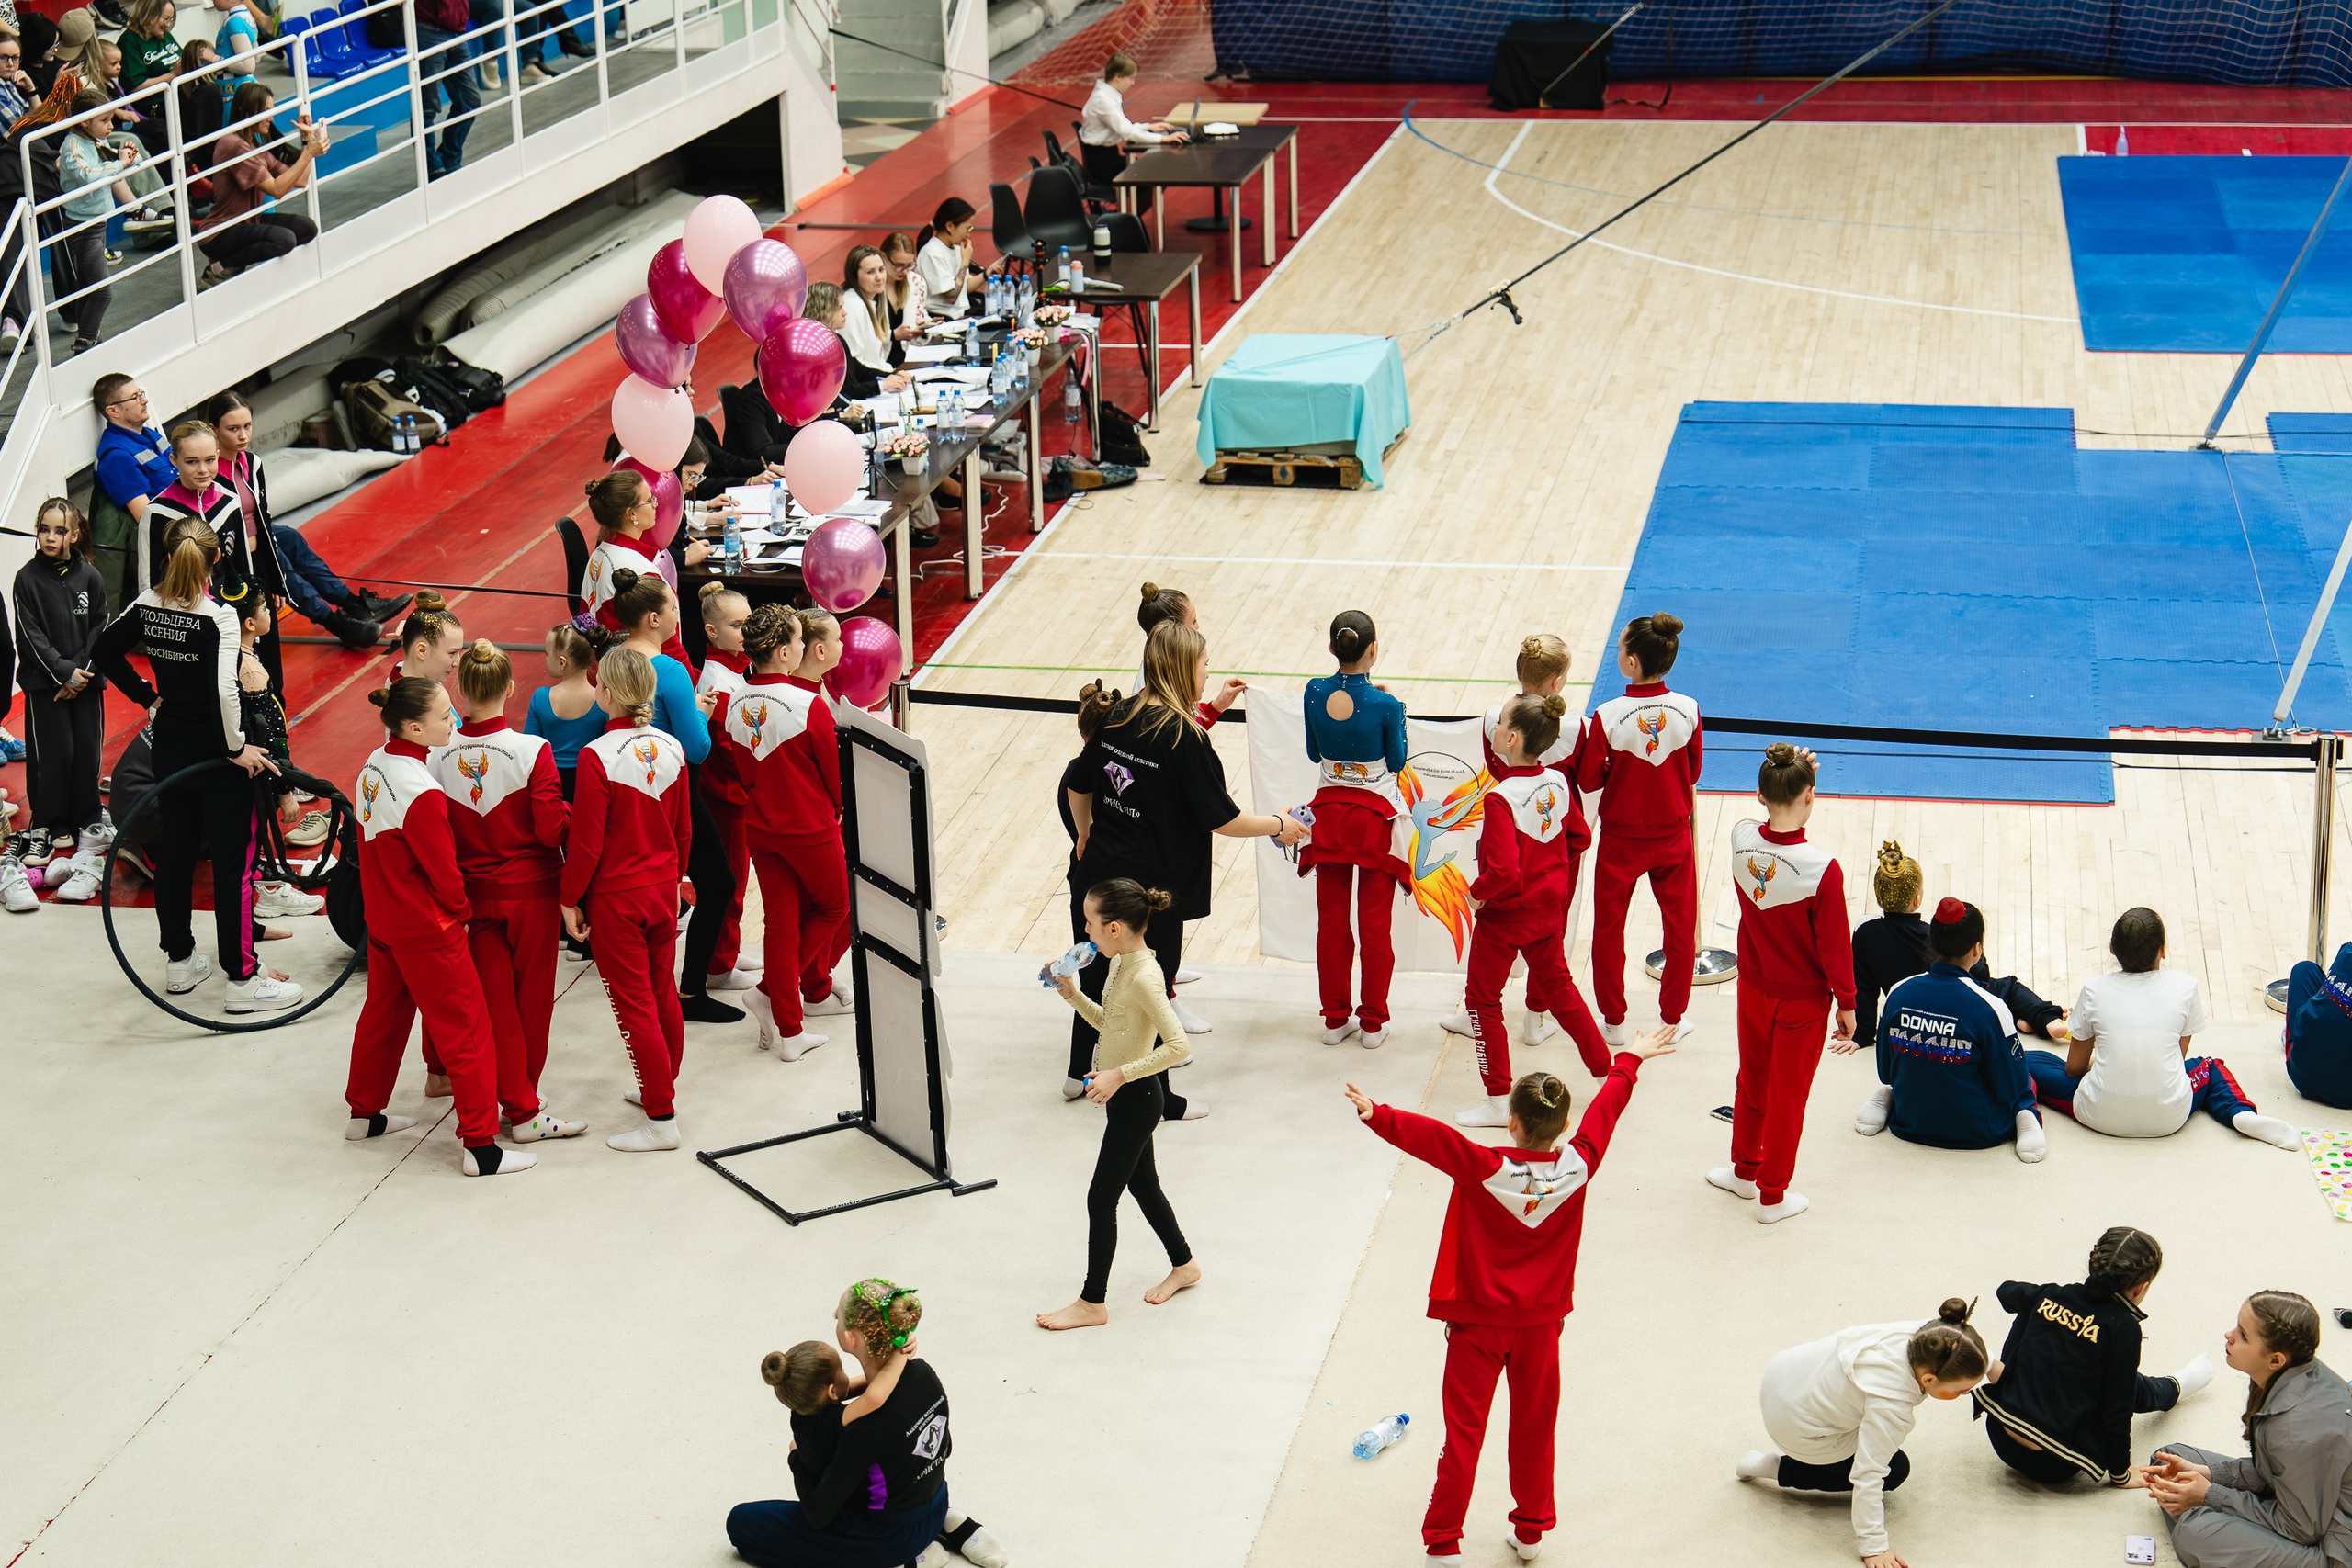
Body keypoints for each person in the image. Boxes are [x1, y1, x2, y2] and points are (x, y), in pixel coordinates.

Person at [1348, 1029, 1675, 1562]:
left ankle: (1444, 1543)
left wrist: (1378, 1114)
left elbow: (1435, 1138)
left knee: (1464, 1437)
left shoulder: (1484, 1167)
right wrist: (1629, 1059)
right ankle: (1529, 1533)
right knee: (1534, 1428)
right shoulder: (1579, 1165)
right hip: (1542, 1329)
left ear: (1512, 1123)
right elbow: (1605, 1114)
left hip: (1478, 1326)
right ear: (1563, 1128)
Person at [1068, 620, 1306, 1115]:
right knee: (1148, 991)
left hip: (1100, 879)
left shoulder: (1119, 714)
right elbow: (1224, 818)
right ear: (1181, 668)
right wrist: (1279, 823)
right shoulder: (1183, 738)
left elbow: (1077, 782)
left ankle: (1077, 1075)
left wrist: (1085, 833)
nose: (1206, 673)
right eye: (1202, 664)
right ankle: (1161, 1103)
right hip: (1152, 891)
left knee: (1095, 976)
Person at [90, 517, 299, 1010]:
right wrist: (235, 750)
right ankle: (244, 981)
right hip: (217, 757)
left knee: (178, 857)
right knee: (234, 867)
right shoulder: (217, 617)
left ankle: (180, 962)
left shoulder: (146, 604)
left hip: (170, 750)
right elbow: (224, 691)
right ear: (214, 562)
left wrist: (149, 697)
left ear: (167, 558)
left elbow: (103, 650)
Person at [344, 676, 531, 1175]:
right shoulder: (422, 789)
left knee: (382, 1016)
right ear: (414, 726)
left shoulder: (372, 765)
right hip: (427, 928)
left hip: (382, 918)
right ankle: (481, 1148)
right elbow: (445, 874)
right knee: (467, 1031)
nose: (455, 720)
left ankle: (364, 1114)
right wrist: (463, 917)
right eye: (446, 715)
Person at [428, 639, 585, 1145]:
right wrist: (572, 818)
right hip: (532, 894)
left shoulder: (437, 756)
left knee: (495, 1008)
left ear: (461, 690)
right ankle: (525, 1107)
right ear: (511, 689)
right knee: (532, 1004)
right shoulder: (531, 751)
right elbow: (548, 829)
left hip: (474, 897)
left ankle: (513, 1100)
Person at [1039, 877, 1200, 1332]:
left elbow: (1178, 1045)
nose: (1085, 933)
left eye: (1090, 924)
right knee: (1144, 1188)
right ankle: (1184, 1265)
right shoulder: (1120, 965)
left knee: (1100, 1198)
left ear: (1114, 929)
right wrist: (1072, 995)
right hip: (1124, 1097)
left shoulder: (1146, 976)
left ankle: (1093, 1302)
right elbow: (1112, 1025)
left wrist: (1117, 1074)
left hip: (1137, 1100)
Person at [1707, 742, 1855, 1224]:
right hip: (1802, 1001)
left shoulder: (1740, 840)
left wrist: (1787, 776)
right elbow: (1835, 950)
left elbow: (1754, 819)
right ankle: (1773, 1195)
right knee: (1788, 1096)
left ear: (1760, 794)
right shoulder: (1822, 871)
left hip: (1752, 987)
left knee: (1752, 1080)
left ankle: (1744, 1171)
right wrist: (1848, 1005)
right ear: (1811, 796)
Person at [1739, 1300, 1996, 1568]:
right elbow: (1867, 1474)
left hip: (1785, 1373)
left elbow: (1969, 1349)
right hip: (1795, 1428)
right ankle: (1777, 1468)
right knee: (1895, 1468)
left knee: (1872, 1431)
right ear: (1929, 1380)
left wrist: (1996, 1371)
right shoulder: (1891, 1401)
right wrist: (1874, 1546)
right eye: (1960, 1390)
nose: (1965, 1394)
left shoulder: (1927, 1336)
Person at [1457, 692, 1612, 1129]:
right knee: (1561, 991)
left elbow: (1503, 869)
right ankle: (1607, 1073)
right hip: (1548, 912)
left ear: (1509, 738)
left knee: (1482, 1001)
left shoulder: (1501, 799)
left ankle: (1495, 1100)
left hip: (1504, 919)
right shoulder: (1560, 783)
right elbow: (1579, 838)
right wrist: (1549, 875)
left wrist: (1477, 891)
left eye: (1501, 720)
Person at [560, 645, 693, 1153]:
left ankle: (661, 1120)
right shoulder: (673, 747)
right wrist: (678, 880)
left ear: (607, 693)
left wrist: (570, 897)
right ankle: (661, 1090)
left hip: (617, 898)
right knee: (662, 994)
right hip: (663, 892)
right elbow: (682, 831)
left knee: (634, 1005)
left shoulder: (597, 756)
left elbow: (588, 842)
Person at [2027, 907, 2302, 1150]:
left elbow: (2073, 1069)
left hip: (2099, 1115)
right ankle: (2241, 1115)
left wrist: (2098, 1063)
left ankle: (2025, 1115)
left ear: (2112, 948)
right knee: (2210, 1067)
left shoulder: (2093, 990)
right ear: (2164, 949)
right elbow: (2176, 1062)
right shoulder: (2185, 986)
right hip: (2170, 1117)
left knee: (2028, 1059)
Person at [726, 1280, 956, 1567]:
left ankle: (907, 1561)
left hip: (894, 1539)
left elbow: (819, 1513)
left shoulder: (859, 1431)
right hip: (938, 1502)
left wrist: (796, 1459)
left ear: (850, 1339)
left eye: (838, 1317)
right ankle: (951, 1524)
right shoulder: (923, 1373)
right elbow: (944, 1448)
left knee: (742, 1523)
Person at [1974, 1226, 2214, 1485]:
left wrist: (2047, 1307)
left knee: (2035, 1313)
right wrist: (2121, 1473)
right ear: (2141, 1288)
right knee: (2125, 1384)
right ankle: (2174, 1387)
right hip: (2054, 1462)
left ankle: (2022, 1389)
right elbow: (2117, 1409)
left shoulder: (2053, 1293)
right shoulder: (2124, 1328)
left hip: (2000, 1433)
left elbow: (2005, 1292)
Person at [1444, 633, 1592, 1043]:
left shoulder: (1496, 717)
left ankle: (1476, 1005)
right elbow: (1591, 776)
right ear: (1559, 682)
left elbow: (1496, 769)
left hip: (1507, 819)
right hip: (1555, 832)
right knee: (1549, 928)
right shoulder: (1577, 725)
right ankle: (1535, 1017)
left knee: (1495, 917)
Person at [605, 568, 739, 1023]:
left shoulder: (611, 659)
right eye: (672, 608)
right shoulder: (669, 669)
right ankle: (690, 992)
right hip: (672, 788)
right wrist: (701, 713)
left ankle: (648, 993)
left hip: (623, 786)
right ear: (654, 619)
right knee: (718, 884)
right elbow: (697, 747)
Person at [721, 604, 848, 1059]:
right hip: (810, 827)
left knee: (780, 926)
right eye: (796, 640)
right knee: (836, 906)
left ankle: (791, 1035)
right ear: (784, 651)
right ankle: (773, 992)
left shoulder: (734, 698)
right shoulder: (807, 704)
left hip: (761, 827)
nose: (801, 646)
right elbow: (835, 776)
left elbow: (738, 766)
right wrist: (837, 808)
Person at [2145, 1291, 2352, 1568]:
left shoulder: (2295, 1432)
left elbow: (2300, 1529)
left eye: (2243, 1335)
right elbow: (2275, 1471)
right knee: (2167, 1458)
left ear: (2276, 1360)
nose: (2228, 1335)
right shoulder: (2295, 1370)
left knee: (2195, 1532)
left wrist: (2210, 1495)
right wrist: (2210, 1474)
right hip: (2303, 1500)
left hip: (2332, 1544)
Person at [1574, 611, 1702, 1045]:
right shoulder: (1689, 709)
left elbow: (1589, 779)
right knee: (1680, 930)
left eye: (1620, 645)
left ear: (1630, 663)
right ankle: (1672, 1017)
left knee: (1609, 928)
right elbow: (1694, 771)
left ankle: (1613, 1020)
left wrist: (1618, 769)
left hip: (1621, 841)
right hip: (1672, 838)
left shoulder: (1607, 715)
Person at [208, 389, 403, 654]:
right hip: (236, 548)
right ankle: (334, 621)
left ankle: (354, 603)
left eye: (247, 426)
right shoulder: (209, 473)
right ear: (214, 430)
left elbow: (262, 512)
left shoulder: (251, 463)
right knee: (281, 562)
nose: (243, 436)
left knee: (290, 538)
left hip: (258, 532)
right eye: (233, 429)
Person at [1860, 897, 2046, 1161]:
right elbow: (2011, 1086)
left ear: (1932, 942)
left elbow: (1885, 1070)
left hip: (1911, 1123)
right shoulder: (1992, 1007)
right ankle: (2027, 1116)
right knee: (2026, 1080)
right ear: (1976, 950)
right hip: (1979, 1131)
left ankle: (1889, 1100)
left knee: (1906, 1076)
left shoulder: (1897, 993)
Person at [1300, 609, 1407, 1050]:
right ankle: (1373, 1024)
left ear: (1331, 649)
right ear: (1373, 650)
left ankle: (1334, 1018)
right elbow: (1397, 762)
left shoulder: (1313, 691)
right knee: (1375, 926)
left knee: (1331, 923)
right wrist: (1388, 710)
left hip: (1328, 819)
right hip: (1374, 820)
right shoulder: (1386, 705)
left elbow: (1312, 753)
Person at [1851, 839, 2065, 1051]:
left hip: (1912, 1010)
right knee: (2007, 987)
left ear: (1879, 897)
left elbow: (1864, 987)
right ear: (1917, 899)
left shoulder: (1865, 933)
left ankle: (2018, 1018)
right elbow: (1978, 974)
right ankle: (2046, 1018)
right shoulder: (1932, 935)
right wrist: (1978, 953)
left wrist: (1863, 1034)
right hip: (1957, 1002)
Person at [12, 498, 108, 885]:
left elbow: (101, 627)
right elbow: (30, 635)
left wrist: (82, 671)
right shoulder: (26, 579)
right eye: (44, 529)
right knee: (56, 752)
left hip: (85, 683)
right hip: (45, 684)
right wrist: (63, 672)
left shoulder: (91, 577)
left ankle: (87, 817)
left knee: (86, 749)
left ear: (74, 533)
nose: (50, 537)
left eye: (59, 530)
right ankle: (50, 822)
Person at [194, 84, 324, 284]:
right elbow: (277, 190)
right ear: (246, 110)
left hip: (247, 221)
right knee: (285, 239)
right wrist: (307, 154)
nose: (271, 118)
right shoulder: (234, 145)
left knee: (308, 228)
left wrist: (307, 140)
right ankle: (221, 266)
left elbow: (300, 180)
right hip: (220, 232)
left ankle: (231, 262)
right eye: (266, 111)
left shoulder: (254, 145)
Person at [694, 583, 755, 991]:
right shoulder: (720, 681)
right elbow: (731, 751)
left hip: (733, 793)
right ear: (712, 632)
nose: (745, 632)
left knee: (737, 880)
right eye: (736, 625)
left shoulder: (735, 669)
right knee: (729, 882)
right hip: (727, 796)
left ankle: (727, 952)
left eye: (748, 622)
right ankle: (717, 966)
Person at [89, 372, 175, 607]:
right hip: (169, 543)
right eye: (135, 397)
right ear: (113, 411)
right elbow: (145, 515)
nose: (144, 401)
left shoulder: (150, 436)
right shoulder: (116, 456)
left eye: (141, 394)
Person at [138, 420, 249, 597]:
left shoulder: (229, 502)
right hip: (184, 615)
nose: (203, 470)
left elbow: (243, 566)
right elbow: (149, 582)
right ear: (174, 460)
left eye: (210, 460)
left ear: (218, 455)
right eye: (191, 462)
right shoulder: (157, 512)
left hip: (227, 611)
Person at [50, 86, 122, 354]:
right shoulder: (72, 146)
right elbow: (87, 176)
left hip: (97, 222)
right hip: (83, 228)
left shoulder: (95, 141)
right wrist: (119, 165)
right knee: (103, 292)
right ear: (84, 121)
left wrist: (126, 158)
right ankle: (86, 342)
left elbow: (113, 166)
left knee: (86, 286)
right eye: (104, 121)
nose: (110, 126)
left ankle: (86, 336)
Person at [525, 618, 605, 802]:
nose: (545, 658)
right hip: (591, 782)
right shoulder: (602, 701)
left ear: (562, 662)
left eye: (547, 654)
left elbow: (531, 750)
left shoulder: (541, 698)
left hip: (551, 784)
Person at [2284, 942, 2352, 1109]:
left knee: (2304, 969)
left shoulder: (2347, 950)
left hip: (2300, 1070)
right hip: (2346, 1094)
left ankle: (2294, 1034)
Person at [1080, 51, 1187, 151]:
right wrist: (1163, 139)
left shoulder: (1107, 94)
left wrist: (1147, 127)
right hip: (1102, 158)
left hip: (1104, 152)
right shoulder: (1103, 100)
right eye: (1131, 78)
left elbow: (1124, 126)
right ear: (1117, 77)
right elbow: (1127, 133)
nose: (1133, 83)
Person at [914, 197, 988, 320]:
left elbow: (964, 287)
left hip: (960, 311)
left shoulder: (955, 247)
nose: (968, 234)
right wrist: (965, 262)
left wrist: (988, 273)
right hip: (944, 317)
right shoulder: (932, 253)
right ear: (950, 226)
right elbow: (951, 296)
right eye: (967, 228)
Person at [840, 245, 901, 376]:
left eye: (881, 270)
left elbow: (877, 359)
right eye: (870, 272)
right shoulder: (852, 306)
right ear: (855, 276)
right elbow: (853, 362)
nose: (879, 277)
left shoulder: (874, 300)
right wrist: (887, 376)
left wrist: (892, 372)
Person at [118, 0, 179, 90]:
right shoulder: (129, 41)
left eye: (171, 19)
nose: (168, 25)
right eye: (166, 18)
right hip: (156, 101)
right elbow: (135, 86)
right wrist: (172, 75)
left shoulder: (164, 35)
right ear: (150, 14)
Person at [209, 0, 261, 95]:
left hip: (234, 90)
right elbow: (257, 56)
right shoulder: (245, 17)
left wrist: (214, 58)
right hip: (238, 86)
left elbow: (248, 66)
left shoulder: (235, 22)